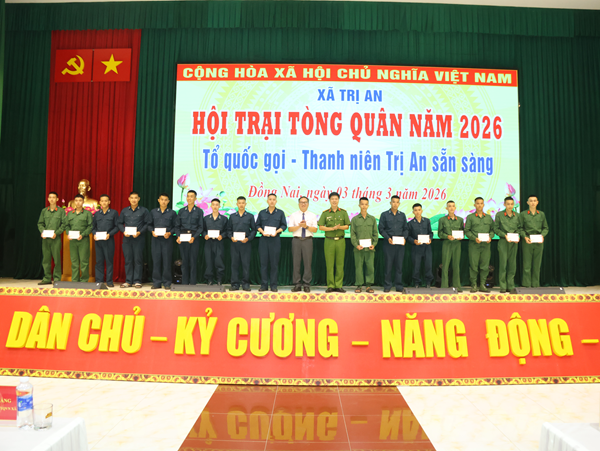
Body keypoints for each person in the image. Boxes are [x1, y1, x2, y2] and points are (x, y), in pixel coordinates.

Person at [318, 192, 350, 293]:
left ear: (338, 200)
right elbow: (321, 227)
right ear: (329, 200)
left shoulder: (343, 212)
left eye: (336, 199)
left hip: (340, 241)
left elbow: (347, 226)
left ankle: (339, 285)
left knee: (340, 264)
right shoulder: (325, 213)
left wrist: (339, 227)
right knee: (329, 264)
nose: (334, 201)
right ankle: (331, 285)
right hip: (329, 241)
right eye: (332, 199)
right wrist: (332, 228)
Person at [118, 191, 151, 288]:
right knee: (128, 260)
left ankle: (137, 281)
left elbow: (147, 224)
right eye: (132, 198)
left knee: (138, 260)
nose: (134, 200)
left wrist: (140, 232)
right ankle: (128, 281)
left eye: (136, 198)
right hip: (127, 239)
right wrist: (123, 231)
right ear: (129, 199)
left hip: (138, 238)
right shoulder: (124, 211)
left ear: (139, 199)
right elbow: (119, 223)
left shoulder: (144, 211)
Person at [256, 193, 287, 292]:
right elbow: (257, 225)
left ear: (276, 201)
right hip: (264, 240)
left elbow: (284, 226)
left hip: (275, 240)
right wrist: (262, 232)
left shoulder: (280, 213)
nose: (272, 201)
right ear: (267, 201)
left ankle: (274, 285)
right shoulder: (262, 213)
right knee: (263, 264)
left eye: (274, 199)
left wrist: (276, 232)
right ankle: (264, 285)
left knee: (274, 264)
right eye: (270, 199)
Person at [378, 195, 409, 293]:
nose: (395, 204)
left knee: (399, 266)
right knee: (388, 265)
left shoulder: (402, 215)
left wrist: (404, 238)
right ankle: (387, 285)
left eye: (397, 202)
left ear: (399, 204)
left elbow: (406, 229)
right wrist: (388, 238)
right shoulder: (384, 215)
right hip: (389, 243)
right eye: (393, 202)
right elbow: (381, 229)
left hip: (400, 244)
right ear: (390, 203)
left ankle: (398, 285)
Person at [288, 196, 318, 293]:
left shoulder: (312, 215)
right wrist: (299, 226)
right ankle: (297, 284)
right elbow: (290, 229)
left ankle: (306, 284)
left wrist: (306, 226)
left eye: (305, 202)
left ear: (308, 204)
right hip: (296, 240)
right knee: (296, 263)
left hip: (308, 240)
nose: (303, 204)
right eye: (301, 202)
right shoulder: (294, 215)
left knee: (307, 263)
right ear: (298, 204)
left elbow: (315, 229)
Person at [465, 197, 495, 292]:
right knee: (473, 266)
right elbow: (467, 231)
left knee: (484, 266)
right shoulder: (470, 217)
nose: (479, 205)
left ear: (483, 205)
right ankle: (473, 285)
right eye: (477, 203)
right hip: (474, 245)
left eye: (481, 203)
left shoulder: (489, 217)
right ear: (474, 205)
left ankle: (482, 284)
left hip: (486, 245)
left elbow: (492, 230)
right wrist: (474, 238)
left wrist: (490, 237)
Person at [227, 196, 256, 291]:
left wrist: (248, 238)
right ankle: (234, 284)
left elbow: (254, 230)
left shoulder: (250, 216)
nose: (241, 205)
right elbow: (228, 229)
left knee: (245, 264)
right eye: (239, 203)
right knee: (234, 264)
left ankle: (245, 284)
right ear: (237, 204)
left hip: (245, 244)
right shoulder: (232, 216)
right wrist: (231, 237)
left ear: (245, 204)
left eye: (243, 203)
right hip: (234, 244)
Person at [519, 195, 549, 288]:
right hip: (527, 241)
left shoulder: (541, 214)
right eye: (531, 201)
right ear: (527, 202)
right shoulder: (523, 214)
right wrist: (524, 237)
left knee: (537, 264)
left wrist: (542, 235)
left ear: (537, 202)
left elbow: (545, 228)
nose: (533, 203)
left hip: (538, 241)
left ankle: (535, 284)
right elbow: (520, 228)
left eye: (534, 201)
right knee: (527, 264)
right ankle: (526, 284)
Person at [37, 191, 66, 285]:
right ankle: (47, 278)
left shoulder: (61, 211)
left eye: (54, 197)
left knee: (57, 259)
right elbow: (40, 223)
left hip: (55, 238)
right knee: (46, 259)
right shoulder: (44, 211)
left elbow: (64, 224)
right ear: (48, 199)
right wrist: (42, 231)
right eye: (50, 197)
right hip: (46, 239)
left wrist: (56, 233)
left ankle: (57, 279)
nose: (52, 199)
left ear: (57, 199)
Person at [350, 197, 378, 293]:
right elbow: (353, 234)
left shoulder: (372, 219)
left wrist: (374, 244)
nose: (364, 206)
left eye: (366, 204)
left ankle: (368, 286)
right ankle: (359, 285)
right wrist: (356, 245)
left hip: (370, 249)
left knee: (370, 267)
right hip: (359, 249)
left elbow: (375, 233)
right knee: (358, 267)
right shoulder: (354, 219)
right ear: (359, 205)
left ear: (368, 206)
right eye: (362, 204)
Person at [150, 193, 177, 289]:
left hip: (167, 240)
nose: (164, 202)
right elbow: (149, 225)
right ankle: (156, 282)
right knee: (156, 261)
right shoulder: (153, 212)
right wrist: (152, 231)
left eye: (166, 200)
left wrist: (170, 233)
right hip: (156, 240)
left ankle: (167, 282)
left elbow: (176, 226)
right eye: (162, 199)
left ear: (168, 201)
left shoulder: (172, 213)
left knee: (167, 261)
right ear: (158, 200)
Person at [494, 197, 521, 293]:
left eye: (511, 204)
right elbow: (496, 229)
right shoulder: (499, 215)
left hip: (514, 242)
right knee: (503, 264)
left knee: (512, 265)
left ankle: (511, 285)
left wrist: (517, 236)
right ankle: (502, 286)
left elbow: (519, 228)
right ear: (504, 204)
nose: (510, 206)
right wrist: (504, 235)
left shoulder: (517, 216)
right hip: (503, 242)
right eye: (508, 204)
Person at [176, 190, 203, 286]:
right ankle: (184, 282)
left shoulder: (199, 211)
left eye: (191, 196)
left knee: (193, 261)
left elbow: (201, 227)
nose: (189, 198)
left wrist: (194, 237)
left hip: (194, 239)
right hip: (183, 238)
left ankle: (192, 282)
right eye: (188, 196)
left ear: (195, 198)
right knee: (184, 261)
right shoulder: (181, 211)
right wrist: (178, 236)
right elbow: (177, 226)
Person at [65, 194, 93, 282]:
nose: (78, 202)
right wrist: (68, 233)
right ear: (74, 201)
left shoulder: (87, 213)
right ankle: (75, 280)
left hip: (83, 240)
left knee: (84, 261)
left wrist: (83, 234)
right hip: (73, 241)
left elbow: (90, 226)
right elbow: (66, 226)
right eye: (76, 200)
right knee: (74, 261)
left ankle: (84, 280)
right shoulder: (70, 214)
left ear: (83, 202)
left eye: (80, 200)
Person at [92, 194, 119, 287]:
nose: (104, 202)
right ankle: (99, 281)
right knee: (99, 261)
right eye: (102, 201)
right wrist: (94, 234)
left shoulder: (114, 213)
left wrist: (109, 234)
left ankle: (109, 281)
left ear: (109, 202)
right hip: (98, 241)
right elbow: (93, 227)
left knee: (109, 261)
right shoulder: (97, 214)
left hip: (108, 240)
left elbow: (117, 227)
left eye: (106, 201)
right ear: (100, 202)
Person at [438, 200, 464, 292]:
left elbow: (462, 231)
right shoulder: (442, 220)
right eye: (449, 206)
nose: (451, 208)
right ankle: (444, 286)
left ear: (455, 208)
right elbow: (440, 233)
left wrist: (461, 237)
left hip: (457, 244)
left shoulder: (460, 220)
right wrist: (447, 236)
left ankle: (457, 286)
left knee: (456, 265)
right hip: (447, 243)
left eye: (453, 206)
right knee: (445, 265)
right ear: (446, 208)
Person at [407, 203, 434, 288]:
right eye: (415, 210)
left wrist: (430, 239)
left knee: (428, 265)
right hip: (416, 247)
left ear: (421, 211)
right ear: (413, 212)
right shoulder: (410, 223)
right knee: (416, 266)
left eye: (419, 210)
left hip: (427, 247)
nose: (417, 212)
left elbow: (430, 233)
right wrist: (413, 241)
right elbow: (408, 236)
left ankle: (428, 282)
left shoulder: (427, 221)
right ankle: (416, 282)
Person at [203, 198, 228, 285]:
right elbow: (203, 230)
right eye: (213, 204)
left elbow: (227, 231)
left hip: (219, 243)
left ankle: (219, 279)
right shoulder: (206, 218)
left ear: (219, 206)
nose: (215, 206)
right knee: (208, 261)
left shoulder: (224, 219)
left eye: (217, 205)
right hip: (208, 243)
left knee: (219, 261)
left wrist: (222, 236)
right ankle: (209, 279)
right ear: (211, 206)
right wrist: (205, 235)